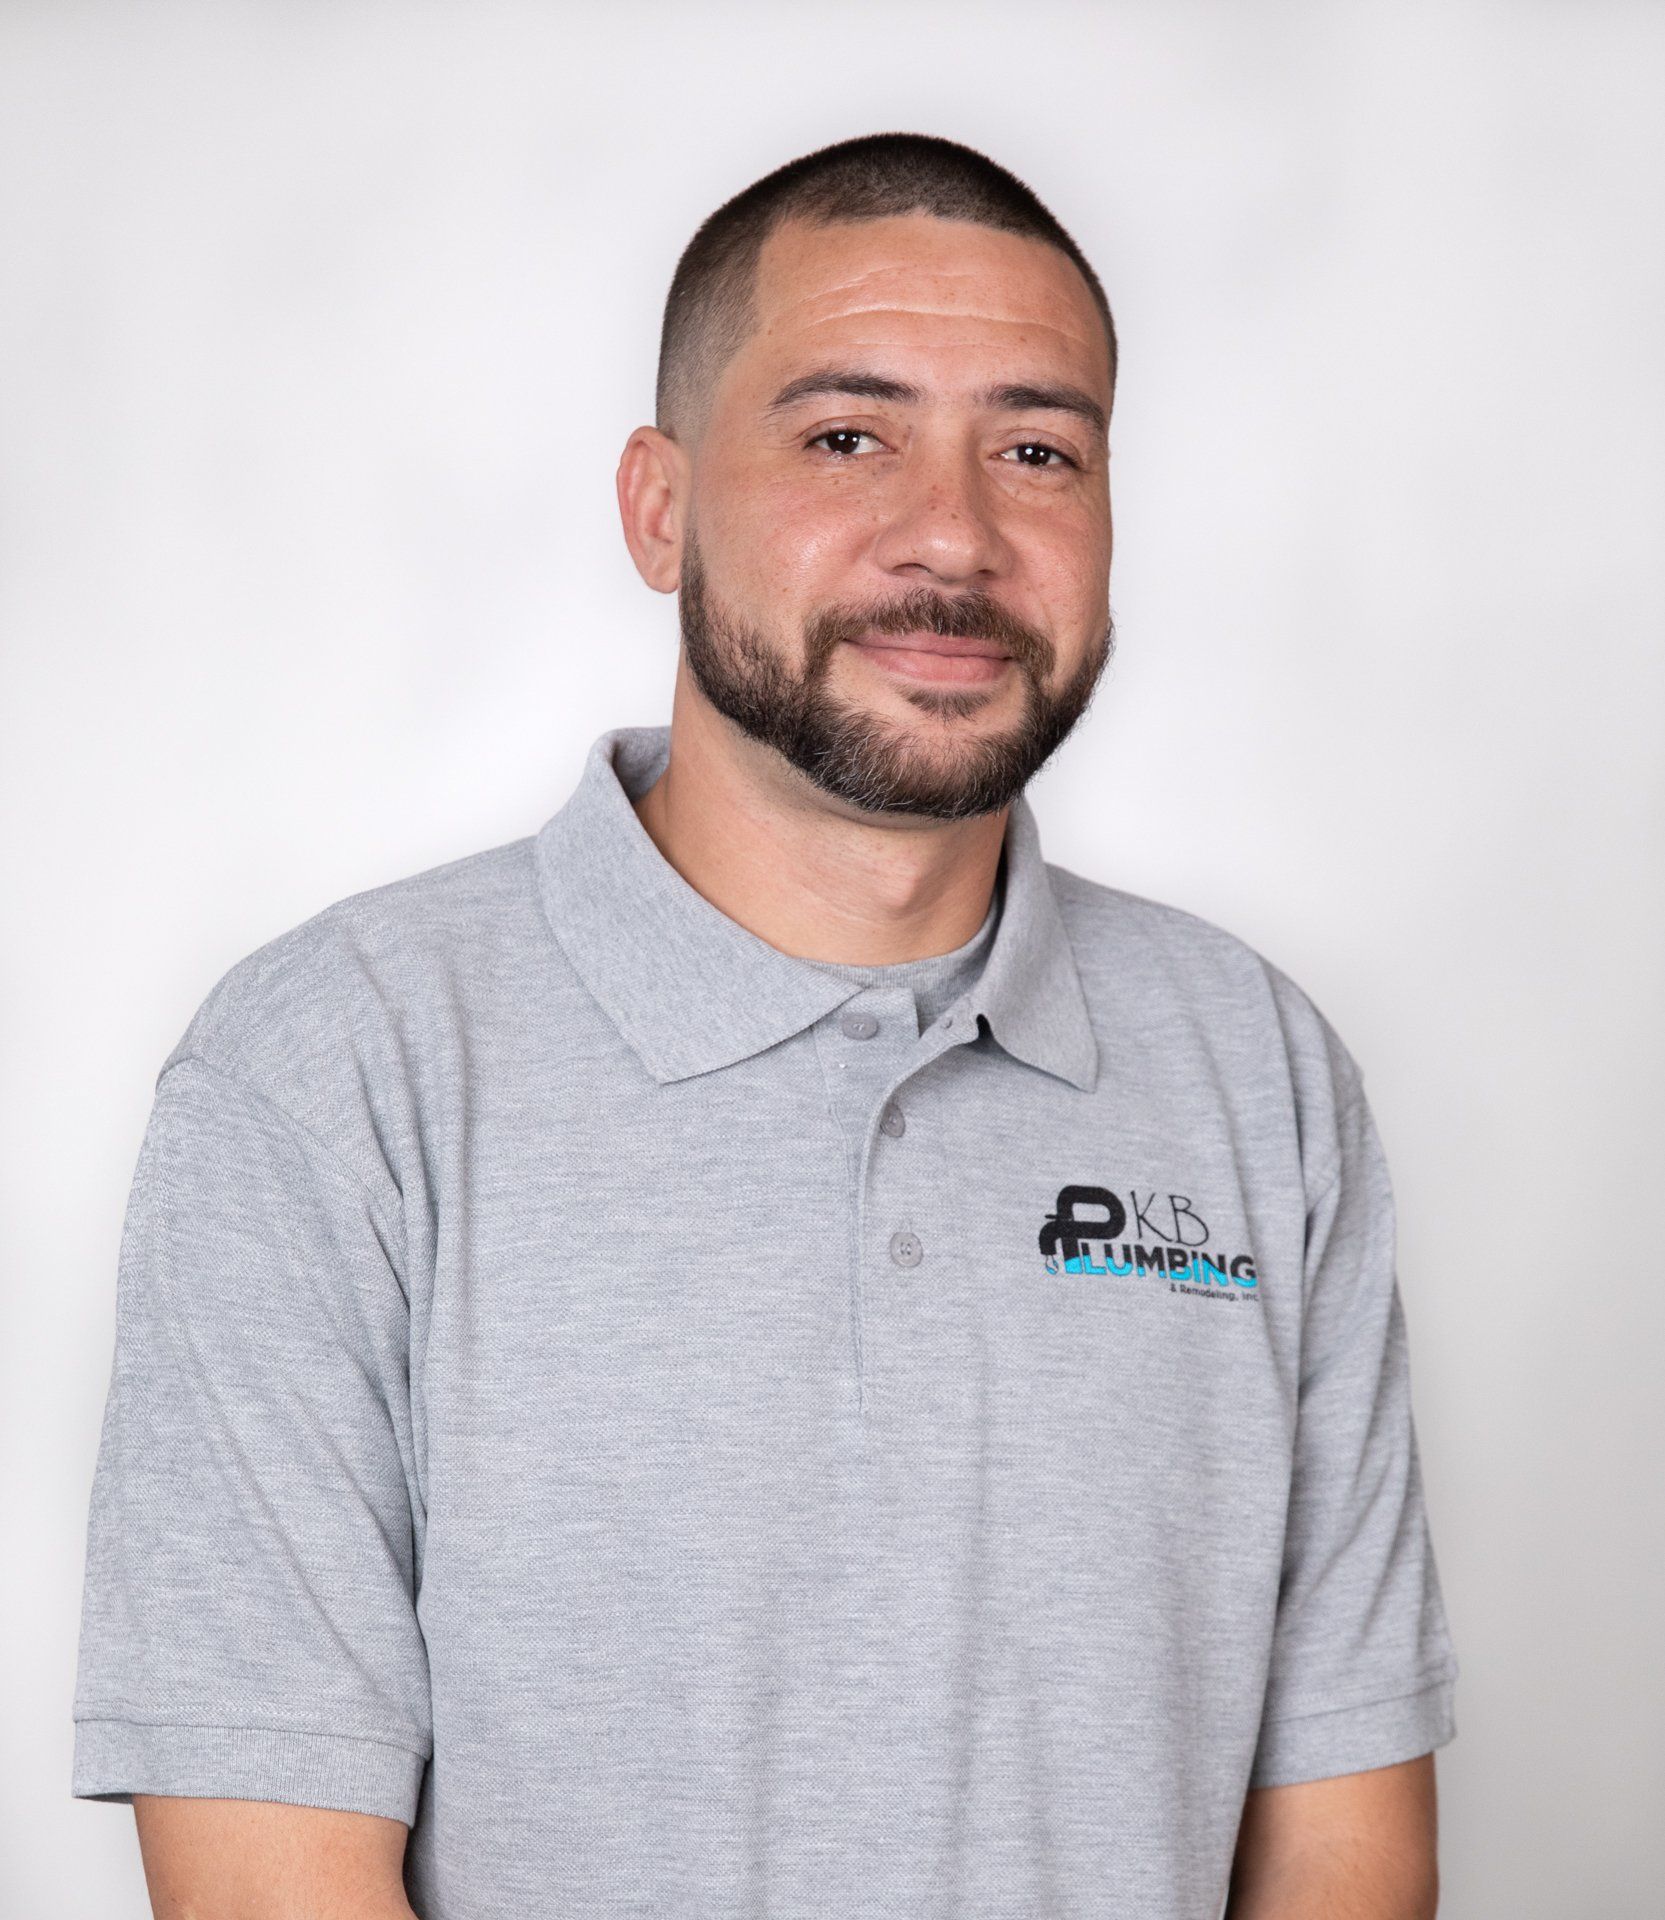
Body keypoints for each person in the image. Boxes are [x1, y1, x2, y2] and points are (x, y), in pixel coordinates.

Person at [71, 132, 1459, 1920]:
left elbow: (1344, 1845)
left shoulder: (1250, 1068)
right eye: (845, 436)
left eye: (1036, 449)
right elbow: (270, 1885)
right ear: (659, 507)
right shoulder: (332, 1074)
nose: (953, 535)